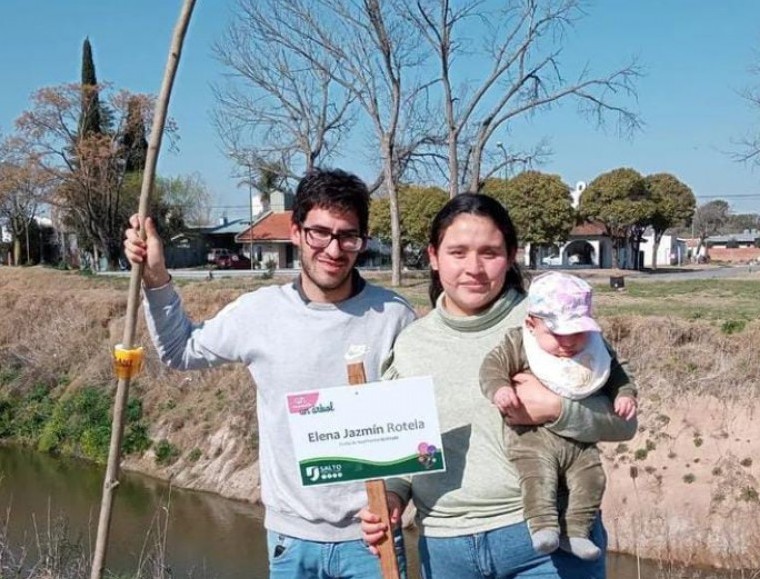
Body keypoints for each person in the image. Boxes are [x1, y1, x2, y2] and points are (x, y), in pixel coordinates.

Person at [123, 168, 416, 579]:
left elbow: (411, 428)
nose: (334, 249)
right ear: (295, 232)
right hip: (289, 542)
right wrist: (155, 278)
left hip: (372, 542)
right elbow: (179, 349)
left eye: (347, 236)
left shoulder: (395, 317)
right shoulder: (259, 312)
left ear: (361, 241)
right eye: (319, 232)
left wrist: (394, 493)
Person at [360, 193, 637, 579]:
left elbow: (624, 424)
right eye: (458, 252)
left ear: (510, 256)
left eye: (489, 252)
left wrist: (558, 409)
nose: (473, 268)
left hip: (546, 542)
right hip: (444, 546)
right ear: (434, 257)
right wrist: (391, 497)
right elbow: (404, 451)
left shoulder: (550, 324)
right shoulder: (411, 344)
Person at [480, 271, 638, 561]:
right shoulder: (519, 343)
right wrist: (500, 389)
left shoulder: (595, 348)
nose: (569, 343)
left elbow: (617, 373)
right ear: (531, 323)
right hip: (532, 439)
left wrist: (625, 394)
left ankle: (576, 531)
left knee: (593, 479)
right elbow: (492, 368)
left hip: (580, 441)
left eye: (577, 333)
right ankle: (543, 529)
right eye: (557, 334)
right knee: (538, 478)